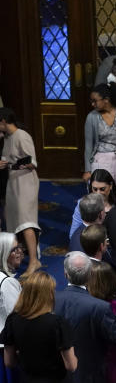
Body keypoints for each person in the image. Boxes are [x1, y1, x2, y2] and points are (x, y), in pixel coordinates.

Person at [54, 252, 116, 383]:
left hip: (58, 377)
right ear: (90, 275)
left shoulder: (51, 299)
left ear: (65, 274)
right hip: (91, 380)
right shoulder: (99, 307)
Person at [0, 271, 78, 383]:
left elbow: (8, 362)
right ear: (48, 294)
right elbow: (71, 365)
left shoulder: (12, 321)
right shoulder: (57, 324)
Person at [0, 108, 42, 275]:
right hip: (13, 181)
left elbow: (33, 162)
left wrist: (16, 163)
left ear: (3, 121)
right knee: (12, 220)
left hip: (25, 181)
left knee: (26, 221)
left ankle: (34, 261)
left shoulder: (22, 135)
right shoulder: (8, 138)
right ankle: (12, 259)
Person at [0, 233, 24, 383]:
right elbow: (17, 319)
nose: (20, 252)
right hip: (7, 353)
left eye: (19, 247)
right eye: (13, 249)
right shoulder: (7, 283)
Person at [71, 168, 116, 238]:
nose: (98, 193)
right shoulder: (83, 204)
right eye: (95, 189)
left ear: (111, 185)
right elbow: (73, 234)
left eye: (102, 189)